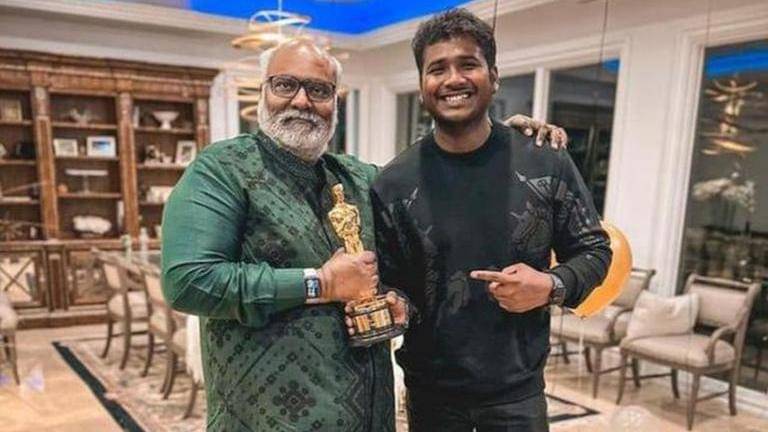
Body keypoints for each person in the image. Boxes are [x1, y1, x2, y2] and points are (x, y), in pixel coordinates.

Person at [162, 36, 565, 431]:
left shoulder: (360, 179)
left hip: (370, 417)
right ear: (263, 91)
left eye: (319, 90)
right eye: (285, 85)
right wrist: (319, 283)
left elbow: (437, 187)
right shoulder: (222, 170)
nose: (301, 101)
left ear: (335, 102)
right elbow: (189, 281)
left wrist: (496, 142)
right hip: (265, 419)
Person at [364, 9, 613, 432]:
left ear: (493, 77)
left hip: (518, 397)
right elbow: (392, 283)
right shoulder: (392, 183)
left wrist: (549, 286)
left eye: (468, 64)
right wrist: (391, 303)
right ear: (422, 86)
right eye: (437, 69)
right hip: (431, 397)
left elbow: (595, 250)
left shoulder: (544, 160)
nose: (453, 79)